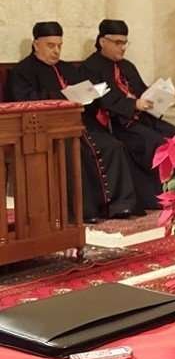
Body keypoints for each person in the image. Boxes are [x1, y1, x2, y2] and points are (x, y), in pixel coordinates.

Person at [7, 21, 139, 222]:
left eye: (59, 45)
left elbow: (86, 94)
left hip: (81, 123)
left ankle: (120, 205)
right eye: (51, 45)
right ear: (36, 45)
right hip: (47, 129)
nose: (56, 51)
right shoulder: (22, 71)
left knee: (113, 145)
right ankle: (85, 210)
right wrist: (62, 97)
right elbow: (24, 101)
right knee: (76, 152)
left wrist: (92, 96)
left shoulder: (67, 68)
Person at [82, 19, 175, 209]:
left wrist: (159, 96)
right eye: (118, 42)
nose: (123, 48)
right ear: (102, 41)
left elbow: (142, 91)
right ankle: (159, 196)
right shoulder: (90, 67)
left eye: (125, 43)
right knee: (155, 143)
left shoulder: (127, 66)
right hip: (118, 123)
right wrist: (133, 104)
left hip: (142, 118)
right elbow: (102, 101)